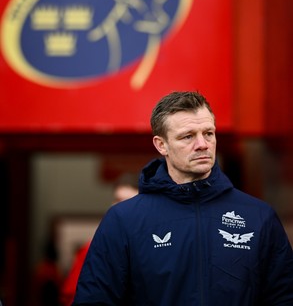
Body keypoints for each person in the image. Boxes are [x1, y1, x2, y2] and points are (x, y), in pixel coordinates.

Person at [72, 91, 293, 305]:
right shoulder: (124, 220)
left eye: (208, 133)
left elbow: (283, 297)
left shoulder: (258, 216)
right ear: (161, 145)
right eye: (188, 136)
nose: (202, 144)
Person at [60, 173, 138, 306]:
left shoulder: (152, 246)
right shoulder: (92, 248)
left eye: (129, 201)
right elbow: (72, 296)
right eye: (118, 200)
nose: (121, 207)